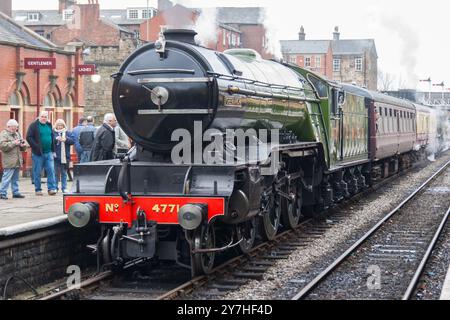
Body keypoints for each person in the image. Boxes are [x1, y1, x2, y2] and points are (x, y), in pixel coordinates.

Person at [26, 111, 57, 196]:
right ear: (39, 117)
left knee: (51, 171)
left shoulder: (49, 125)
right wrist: (36, 146)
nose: (44, 118)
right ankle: (38, 189)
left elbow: (52, 137)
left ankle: (51, 189)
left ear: (47, 118)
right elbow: (28, 137)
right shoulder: (33, 125)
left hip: (49, 152)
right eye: (42, 116)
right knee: (37, 172)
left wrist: (53, 149)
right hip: (38, 153)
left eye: (45, 117)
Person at [0, 119, 27, 200]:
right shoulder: (3, 134)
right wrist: (14, 143)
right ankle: (2, 193)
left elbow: (23, 147)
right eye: (13, 128)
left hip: (17, 159)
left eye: (16, 128)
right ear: (8, 127)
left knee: (15, 178)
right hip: (9, 160)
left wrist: (23, 145)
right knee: (7, 177)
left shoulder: (17, 134)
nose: (15, 130)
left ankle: (15, 192)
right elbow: (2, 146)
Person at [53, 119, 74, 193]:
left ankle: (64, 187)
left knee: (64, 172)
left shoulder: (68, 132)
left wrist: (65, 139)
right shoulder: (53, 133)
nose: (59, 127)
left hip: (65, 156)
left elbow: (72, 141)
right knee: (55, 173)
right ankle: (55, 187)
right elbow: (50, 142)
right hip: (55, 156)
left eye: (61, 125)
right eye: (58, 125)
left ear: (63, 126)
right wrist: (56, 139)